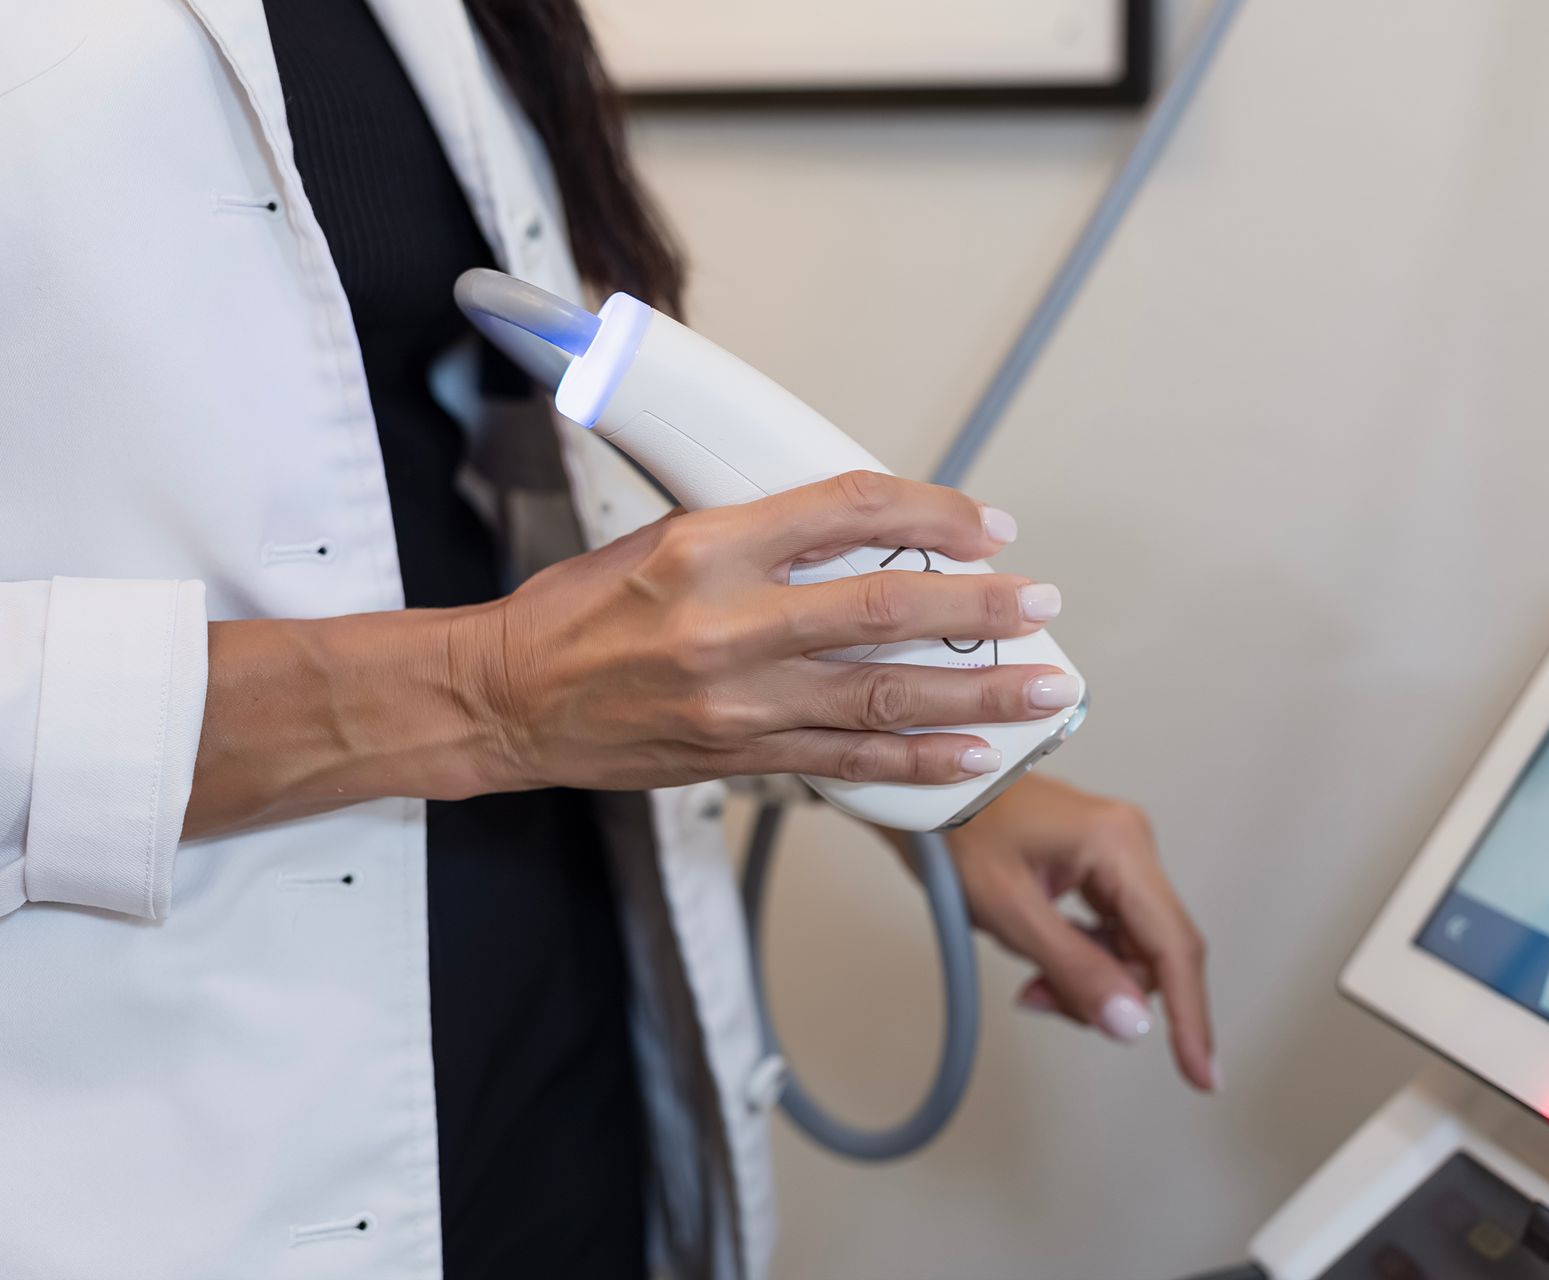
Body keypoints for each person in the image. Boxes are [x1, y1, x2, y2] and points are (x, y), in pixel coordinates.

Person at [0, 1, 1215, 1277]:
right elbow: (490, 659)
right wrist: (486, 694)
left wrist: (886, 737)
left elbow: (446, 518)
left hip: (551, 1054)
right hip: (156, 1140)